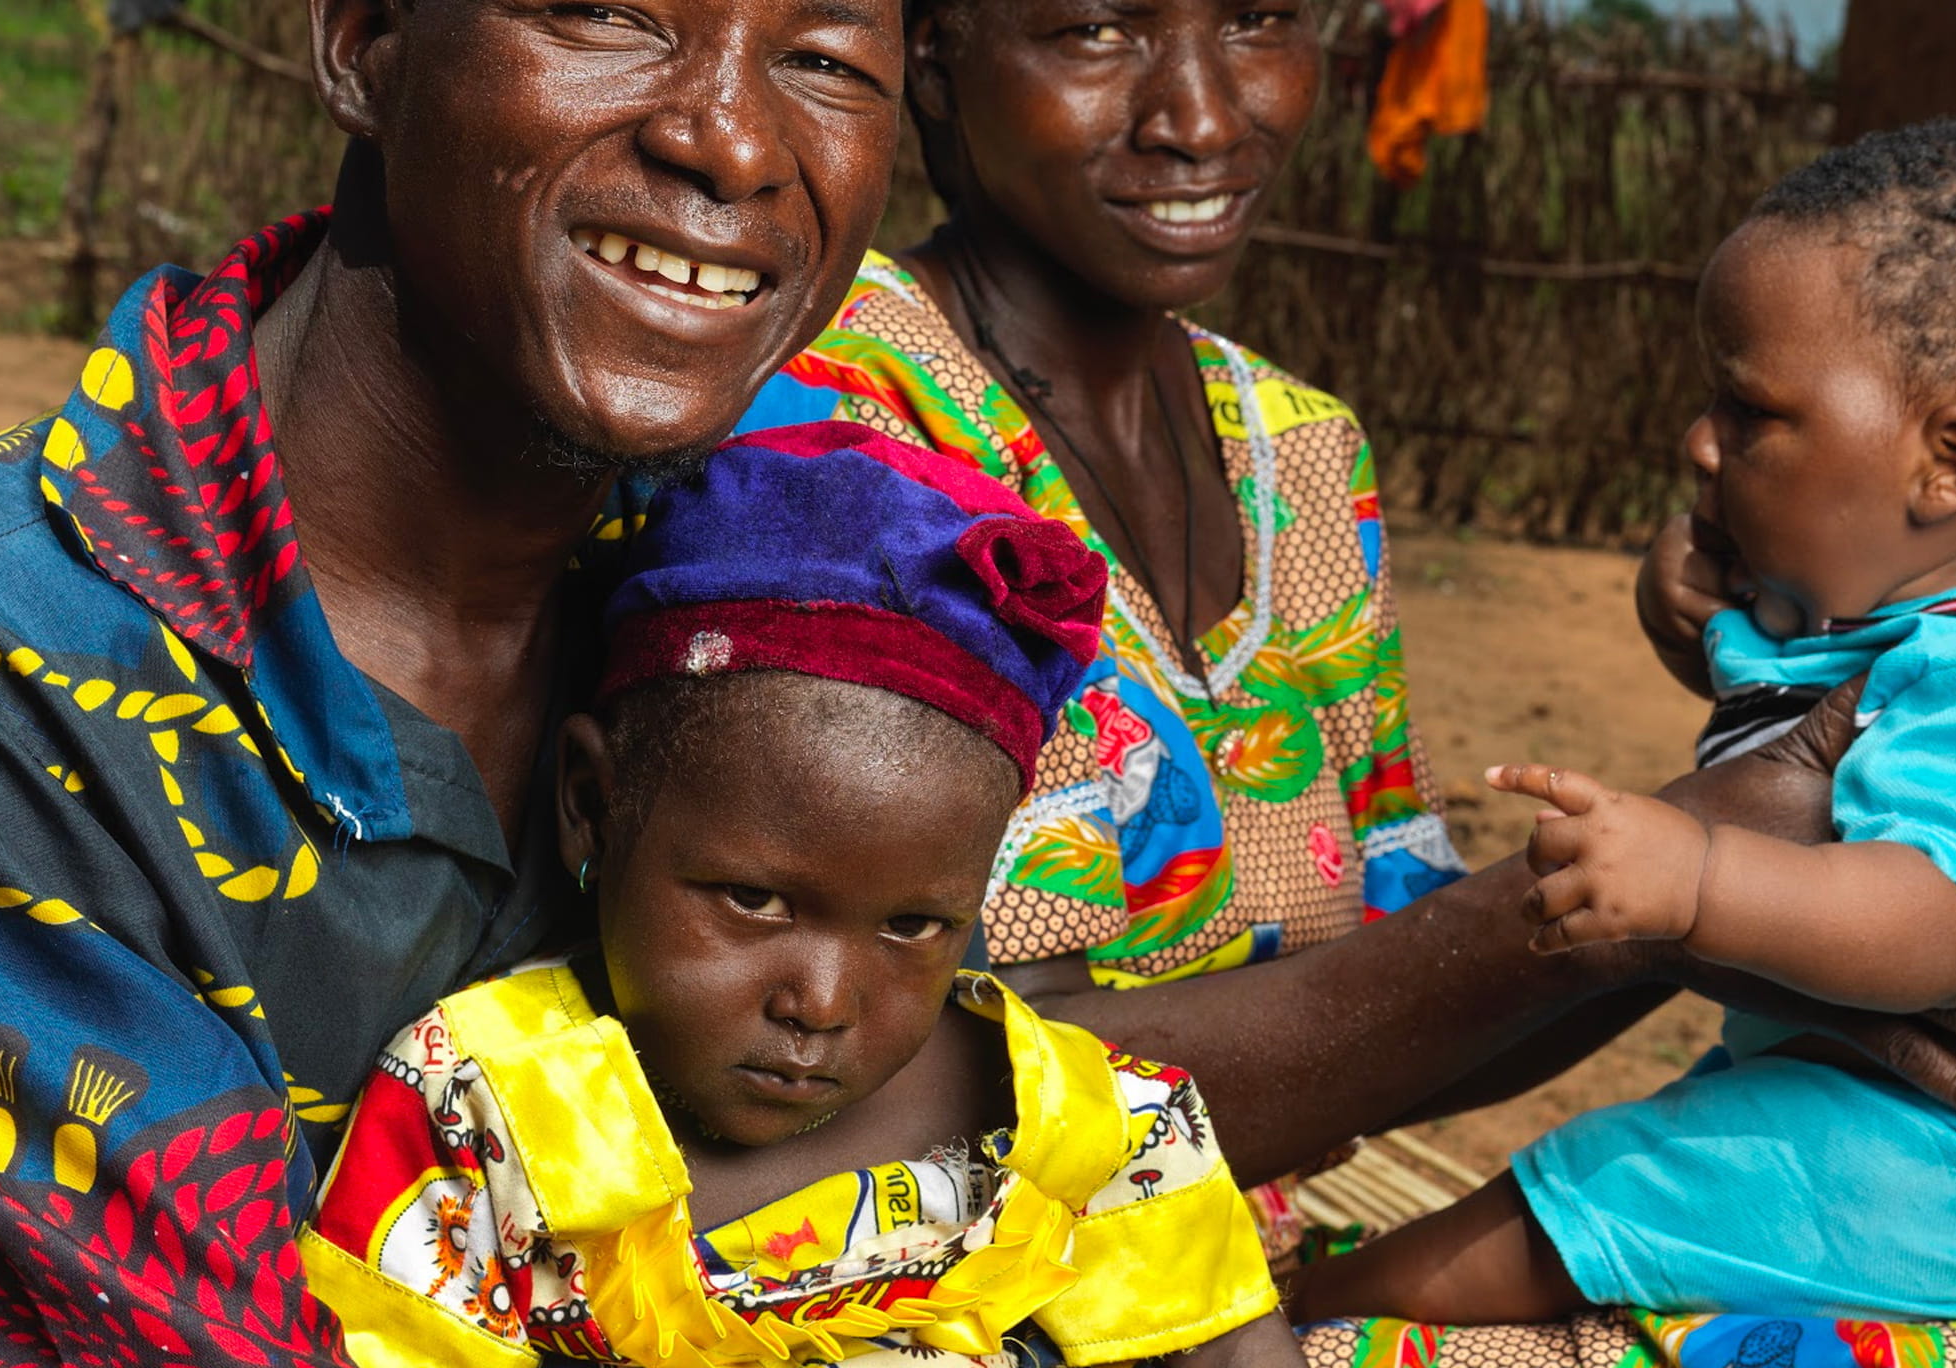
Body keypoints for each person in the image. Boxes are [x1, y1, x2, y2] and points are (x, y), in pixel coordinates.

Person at [743, 0, 1956, 1240]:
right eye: (1096, 33)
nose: (1203, 113)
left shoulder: (1300, 457)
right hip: (948, 1279)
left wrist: (1825, 909)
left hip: (1253, 1262)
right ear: (934, 60)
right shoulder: (834, 422)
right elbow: (950, 1091)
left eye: (1260, 20)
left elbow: (1406, 992)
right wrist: (1739, 872)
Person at [0, 0, 907, 1365]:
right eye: (614, 17)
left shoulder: (748, 608)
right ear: (364, 42)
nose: (731, 137)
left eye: (829, 62)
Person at [1297, 122, 1956, 1323]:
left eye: (1749, 411)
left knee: (1571, 1208)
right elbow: (1777, 701)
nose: (1698, 441)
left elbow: (1944, 926)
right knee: (1600, 1186)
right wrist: (1677, 585)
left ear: (1948, 462)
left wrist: (1699, 881)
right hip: (1884, 1122)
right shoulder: (1920, 579)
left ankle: (1300, 1319)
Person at [307, 423, 1295, 1368]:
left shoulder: (1091, 1128)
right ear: (590, 805)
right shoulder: (483, 1114)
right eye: (753, 900)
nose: (819, 1004)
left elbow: (1230, 1343)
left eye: (913, 924)